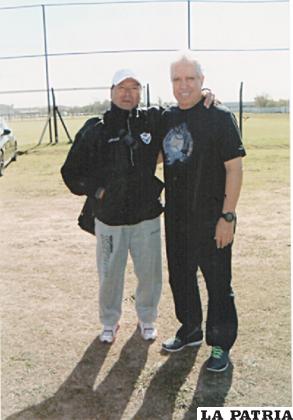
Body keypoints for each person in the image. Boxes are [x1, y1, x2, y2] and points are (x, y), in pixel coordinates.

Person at [61, 68, 214, 345]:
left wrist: (204, 93)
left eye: (134, 88)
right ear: (111, 92)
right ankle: (109, 322)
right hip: (109, 220)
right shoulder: (96, 128)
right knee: (109, 275)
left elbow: (184, 110)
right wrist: (98, 191)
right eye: (122, 87)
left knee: (150, 273)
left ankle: (147, 318)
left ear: (141, 93)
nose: (128, 93)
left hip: (146, 217)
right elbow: (70, 172)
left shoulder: (153, 120)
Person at [160, 54, 246, 372]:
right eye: (177, 80)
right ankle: (191, 329)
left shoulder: (219, 116)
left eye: (190, 79)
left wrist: (228, 216)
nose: (183, 86)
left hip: (212, 219)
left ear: (202, 79)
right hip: (176, 219)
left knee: (218, 283)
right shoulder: (166, 117)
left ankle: (220, 344)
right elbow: (153, 153)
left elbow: (234, 169)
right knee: (181, 278)